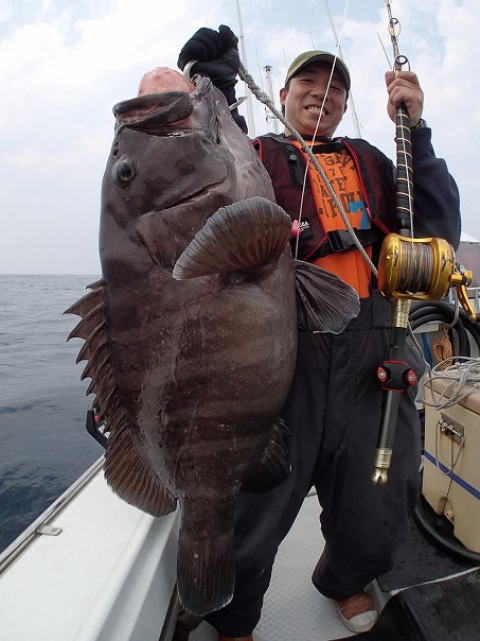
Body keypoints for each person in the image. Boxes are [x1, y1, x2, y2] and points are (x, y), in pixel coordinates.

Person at [176, 26, 461, 639]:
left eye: (336, 88)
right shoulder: (253, 155)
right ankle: (234, 617)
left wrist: (417, 130)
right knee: (257, 500)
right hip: (282, 347)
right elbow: (198, 176)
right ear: (282, 92)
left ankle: (345, 578)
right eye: (309, 82)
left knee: (380, 496)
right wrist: (213, 88)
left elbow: (439, 224)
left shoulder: (377, 161)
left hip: (377, 347)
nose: (323, 95)